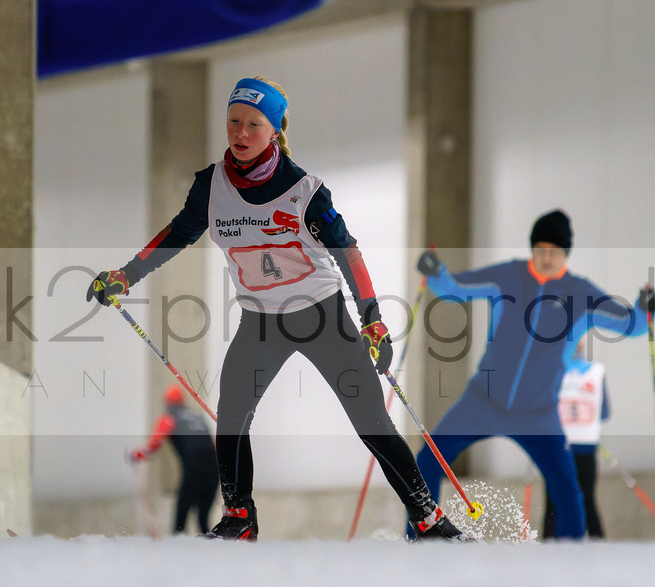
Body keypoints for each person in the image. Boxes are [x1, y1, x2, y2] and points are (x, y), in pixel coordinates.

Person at [88, 76, 468, 542]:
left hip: (322, 317)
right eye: (233, 122)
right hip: (261, 322)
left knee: (371, 421)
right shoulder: (211, 188)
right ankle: (239, 516)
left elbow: (348, 252)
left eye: (253, 124)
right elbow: (176, 235)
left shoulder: (305, 191)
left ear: (274, 132)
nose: (241, 133)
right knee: (231, 416)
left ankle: (428, 518)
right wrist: (125, 275)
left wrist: (372, 319)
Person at [412, 209, 655, 540]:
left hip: (538, 412)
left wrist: (644, 309)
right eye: (540, 249)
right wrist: (436, 272)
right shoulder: (509, 276)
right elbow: (456, 288)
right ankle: (418, 538)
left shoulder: (580, 293)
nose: (545, 257)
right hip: (484, 400)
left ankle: (570, 556)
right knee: (428, 458)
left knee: (568, 489)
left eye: (553, 251)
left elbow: (628, 324)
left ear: (565, 253)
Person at [127, 385, 220, 535]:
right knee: (203, 522)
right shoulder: (198, 418)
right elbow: (215, 446)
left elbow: (152, 446)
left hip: (193, 469)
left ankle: (179, 554)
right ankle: (214, 554)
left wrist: (134, 454)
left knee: (180, 523)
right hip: (214, 471)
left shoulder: (169, 418)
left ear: (167, 403)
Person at [544, 340, 609, 539]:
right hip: (586, 446)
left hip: (558, 447)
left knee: (554, 501)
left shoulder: (551, 370)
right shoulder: (597, 371)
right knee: (587, 499)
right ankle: (598, 541)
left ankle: (547, 544)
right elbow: (605, 412)